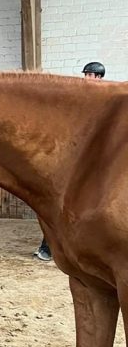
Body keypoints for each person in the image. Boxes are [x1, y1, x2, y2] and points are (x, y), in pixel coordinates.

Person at [34, 61, 105, 261]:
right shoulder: (81, 97)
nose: (86, 78)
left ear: (98, 77)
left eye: (90, 75)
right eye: (86, 74)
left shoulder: (103, 99)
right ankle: (49, 246)